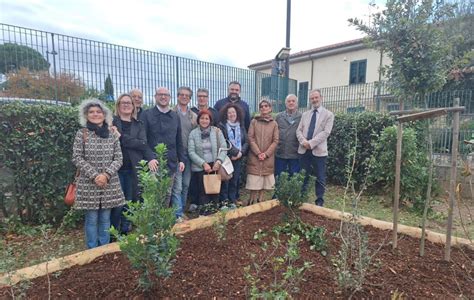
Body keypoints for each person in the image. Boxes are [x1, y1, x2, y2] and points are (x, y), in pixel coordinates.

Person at [72, 99, 125, 249]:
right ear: (86, 115)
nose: (95, 114)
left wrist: (106, 175)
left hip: (109, 182)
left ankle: (104, 247)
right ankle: (92, 249)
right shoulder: (82, 134)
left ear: (104, 114)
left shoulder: (112, 134)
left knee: (105, 218)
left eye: (98, 111)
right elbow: (77, 157)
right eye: (91, 112)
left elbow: (119, 158)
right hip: (89, 183)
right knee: (92, 218)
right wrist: (95, 175)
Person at [140, 87, 187, 207]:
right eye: (160, 94)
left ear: (169, 98)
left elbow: (178, 140)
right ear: (155, 97)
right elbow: (143, 140)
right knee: (153, 195)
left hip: (171, 163)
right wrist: (150, 158)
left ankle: (162, 223)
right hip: (153, 164)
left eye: (166, 95)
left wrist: (181, 159)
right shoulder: (146, 115)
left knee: (167, 193)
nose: (163, 97)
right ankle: (153, 222)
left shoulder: (175, 116)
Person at [110, 93, 148, 234]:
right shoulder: (112, 123)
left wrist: (122, 138)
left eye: (129, 103)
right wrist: (132, 141)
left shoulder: (139, 124)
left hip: (133, 168)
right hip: (116, 169)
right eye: (123, 103)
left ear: (133, 107)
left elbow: (143, 144)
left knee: (131, 201)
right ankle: (114, 232)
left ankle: (125, 230)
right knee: (117, 203)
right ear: (118, 106)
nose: (126, 105)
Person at [296, 89, 334, 206]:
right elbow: (299, 130)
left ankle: (319, 201)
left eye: (316, 97)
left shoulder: (329, 115)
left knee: (320, 177)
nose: (314, 100)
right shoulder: (305, 114)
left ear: (321, 98)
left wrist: (311, 143)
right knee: (303, 176)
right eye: (312, 98)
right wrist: (304, 142)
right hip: (304, 150)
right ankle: (302, 198)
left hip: (319, 151)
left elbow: (326, 132)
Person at [188, 110, 227, 208]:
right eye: (202, 118)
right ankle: (204, 213)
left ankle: (215, 212)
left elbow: (224, 147)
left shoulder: (217, 131)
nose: (204, 121)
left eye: (207, 118)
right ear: (198, 120)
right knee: (203, 191)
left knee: (215, 190)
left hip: (215, 165)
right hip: (200, 167)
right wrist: (203, 164)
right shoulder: (193, 133)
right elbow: (191, 152)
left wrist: (219, 161)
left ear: (210, 120)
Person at [171, 86, 197, 222]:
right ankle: (178, 214)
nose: (184, 97)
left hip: (189, 154)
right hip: (175, 154)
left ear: (190, 98)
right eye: (181, 94)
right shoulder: (171, 113)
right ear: (177, 96)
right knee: (177, 186)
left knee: (186, 184)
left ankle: (180, 209)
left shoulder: (194, 116)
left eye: (187, 95)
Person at [246, 99, 279, 205]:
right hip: (255, 157)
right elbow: (250, 138)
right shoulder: (254, 122)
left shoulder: (274, 124)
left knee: (264, 182)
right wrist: (258, 153)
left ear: (270, 108)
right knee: (254, 181)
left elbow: (275, 140)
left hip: (267, 158)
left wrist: (266, 154)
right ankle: (251, 201)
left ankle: (260, 200)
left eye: (266, 106)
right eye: (261, 106)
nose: (264, 108)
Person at [217, 103, 249, 207]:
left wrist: (241, 153)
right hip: (227, 157)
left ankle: (232, 200)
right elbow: (224, 142)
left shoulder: (241, 125)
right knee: (226, 179)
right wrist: (235, 153)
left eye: (233, 112)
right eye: (229, 112)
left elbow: (246, 141)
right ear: (226, 114)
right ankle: (224, 202)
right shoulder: (222, 126)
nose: (232, 114)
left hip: (239, 157)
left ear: (237, 113)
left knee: (235, 179)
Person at [275, 94, 302, 177]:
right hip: (281, 152)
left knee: (294, 178)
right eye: (289, 101)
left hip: (295, 153)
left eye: (293, 101)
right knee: (279, 177)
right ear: (285, 103)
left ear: (297, 103)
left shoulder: (301, 117)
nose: (291, 103)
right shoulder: (279, 117)